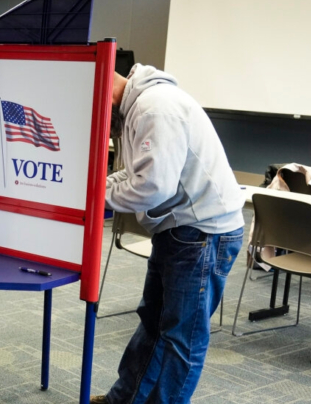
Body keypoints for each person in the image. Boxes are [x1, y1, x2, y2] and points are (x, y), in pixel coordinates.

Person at [92, 64, 245, 404]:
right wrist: (95, 187)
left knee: (181, 338)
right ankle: (124, 399)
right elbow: (134, 175)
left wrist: (95, 195)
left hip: (203, 233)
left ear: (102, 94)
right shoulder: (137, 108)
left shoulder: (154, 107)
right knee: (154, 322)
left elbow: (152, 188)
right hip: (180, 230)